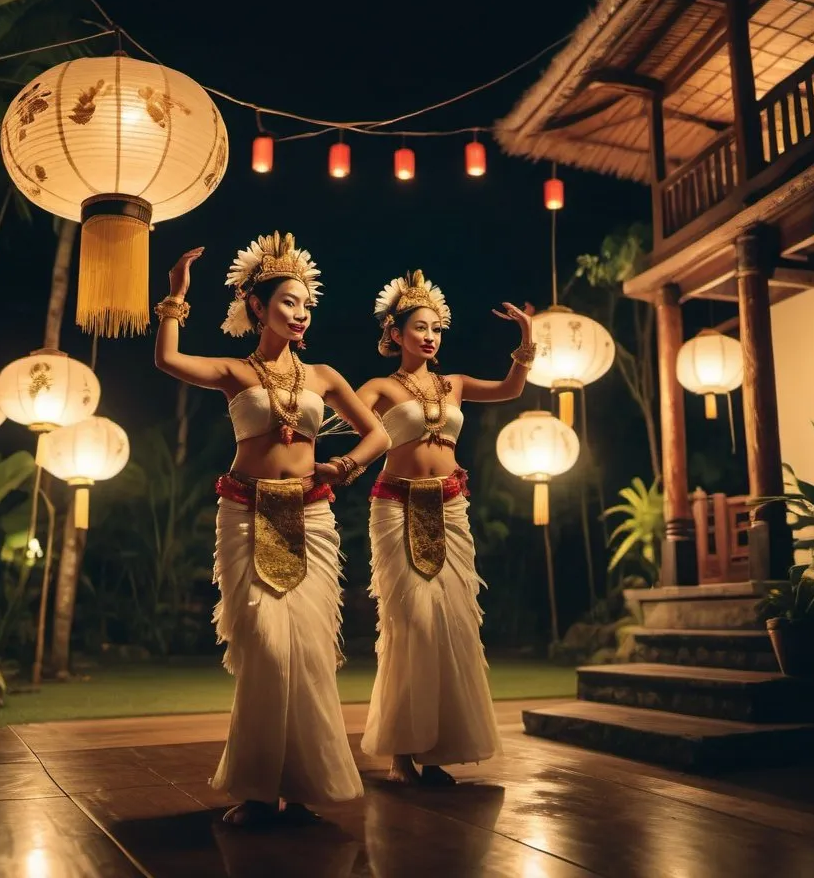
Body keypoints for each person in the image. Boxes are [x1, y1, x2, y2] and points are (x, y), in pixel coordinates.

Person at [154, 232, 390, 826]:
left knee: (308, 651)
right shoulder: (235, 370)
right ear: (256, 306)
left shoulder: (325, 377)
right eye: (287, 301)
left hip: (310, 514)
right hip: (245, 511)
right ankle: (258, 787)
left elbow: (379, 435)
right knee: (265, 647)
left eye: (306, 302)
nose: (300, 311)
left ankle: (305, 784)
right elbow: (169, 361)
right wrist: (175, 301)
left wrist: (345, 465)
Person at [357, 270, 534, 785]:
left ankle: (435, 750)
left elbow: (510, 388)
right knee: (411, 621)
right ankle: (400, 752)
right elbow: (342, 419)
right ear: (395, 333)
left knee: (451, 623)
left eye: (436, 328)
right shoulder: (380, 387)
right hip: (396, 506)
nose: (430, 336)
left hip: (450, 509)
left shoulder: (454, 384)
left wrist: (526, 338)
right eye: (419, 327)